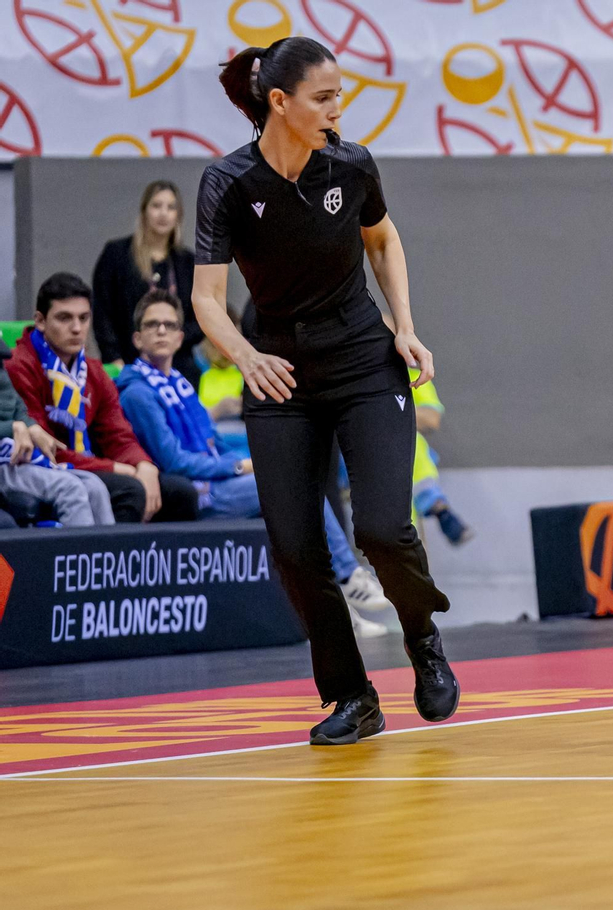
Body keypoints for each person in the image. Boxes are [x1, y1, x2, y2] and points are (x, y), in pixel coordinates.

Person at [192, 36, 455, 745]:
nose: (338, 108)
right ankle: (351, 695)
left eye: (339, 94)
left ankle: (421, 635)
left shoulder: (351, 163)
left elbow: (383, 240)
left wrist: (405, 325)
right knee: (296, 547)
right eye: (325, 97)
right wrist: (245, 357)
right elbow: (207, 298)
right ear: (279, 102)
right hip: (278, 371)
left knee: (380, 528)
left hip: (365, 361)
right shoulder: (229, 183)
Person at [116, 288, 393, 636]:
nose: (161, 331)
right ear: (137, 337)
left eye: (169, 325)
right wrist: (237, 467)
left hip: (219, 483)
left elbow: (212, 444)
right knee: (298, 491)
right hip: (199, 493)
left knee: (297, 525)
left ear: (180, 336)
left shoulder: (181, 385)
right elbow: (173, 461)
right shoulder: (138, 392)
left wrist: (246, 461)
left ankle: (339, 615)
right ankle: (349, 576)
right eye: (152, 325)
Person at [6, 272, 198, 524]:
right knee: (130, 490)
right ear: (40, 321)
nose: (77, 328)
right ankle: (115, 562)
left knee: (180, 493)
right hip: (45, 468)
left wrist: (143, 465)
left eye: (84, 318)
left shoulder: (94, 372)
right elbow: (46, 450)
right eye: (65, 318)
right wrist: (118, 469)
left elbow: (118, 435)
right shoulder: (19, 366)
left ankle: (155, 562)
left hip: (90, 463)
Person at [92, 180, 202, 383]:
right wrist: (113, 357)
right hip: (128, 363)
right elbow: (102, 312)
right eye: (156, 205)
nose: (163, 213)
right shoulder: (116, 254)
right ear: (144, 211)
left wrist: (171, 339)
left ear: (178, 215)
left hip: (179, 367)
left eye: (170, 207)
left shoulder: (188, 262)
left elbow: (202, 319)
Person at [0, 355, 113, 526]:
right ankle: (80, 552)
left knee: (95, 486)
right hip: (4, 463)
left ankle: (106, 552)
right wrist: (11, 427)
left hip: (17, 458)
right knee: (70, 489)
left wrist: (31, 426)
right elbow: (14, 423)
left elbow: (17, 408)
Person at [408, 366, 473, 545]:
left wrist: (383, 408)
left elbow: (431, 419)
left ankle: (433, 501)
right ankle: (437, 505)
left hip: (405, 472)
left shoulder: (412, 372)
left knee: (410, 440)